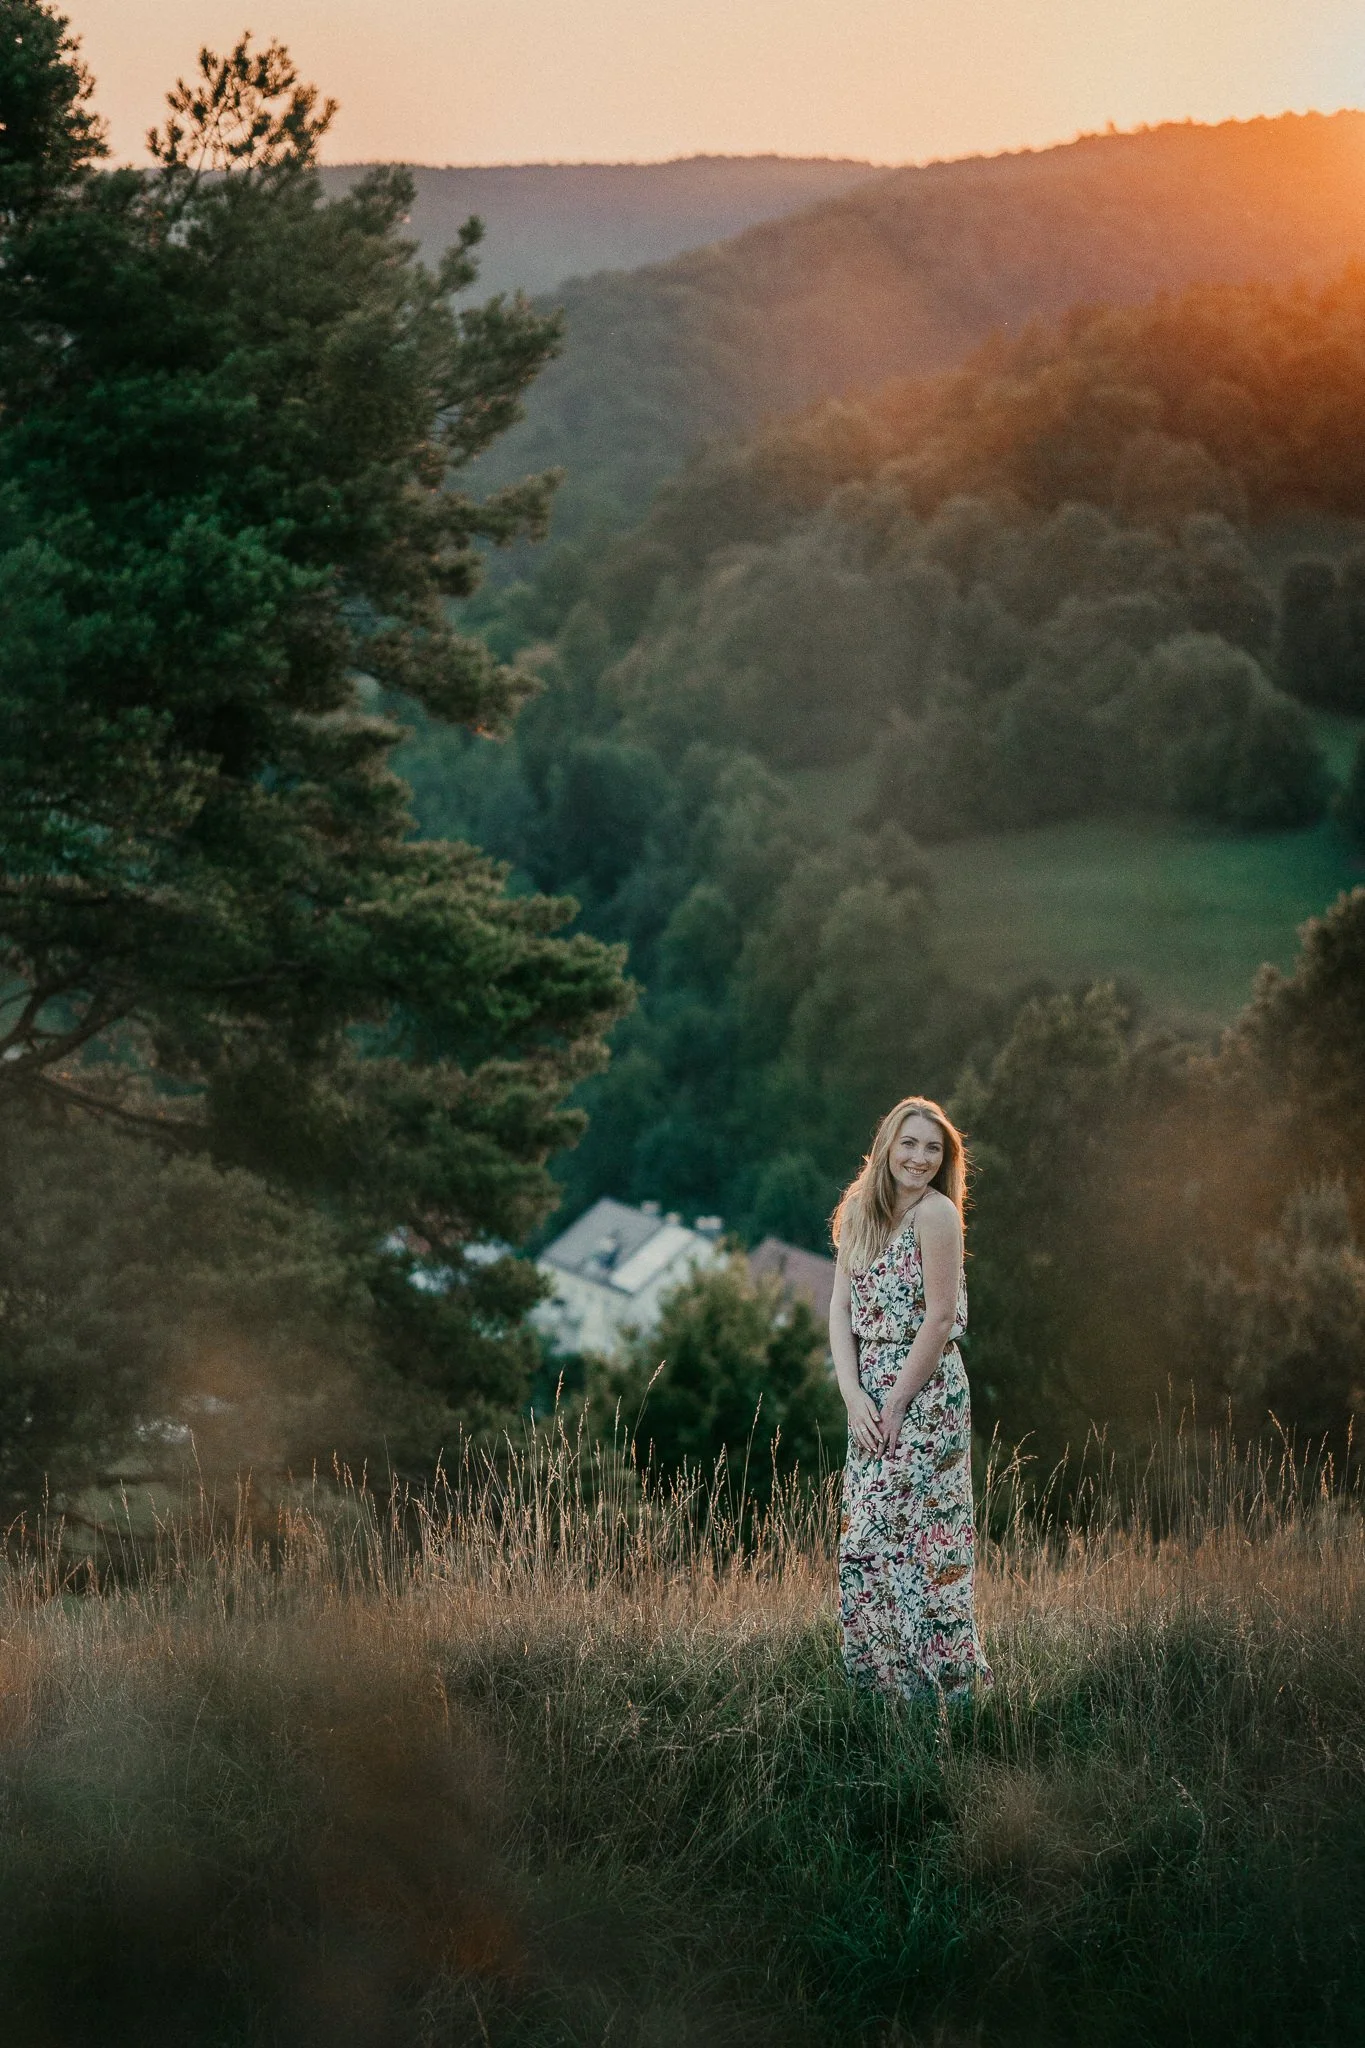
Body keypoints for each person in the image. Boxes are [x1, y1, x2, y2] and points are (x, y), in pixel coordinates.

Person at [829, 1095, 992, 1701]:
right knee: (865, 1542)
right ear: (886, 1147)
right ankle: (877, 1695)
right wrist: (853, 1395)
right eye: (909, 1144)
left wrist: (896, 1403)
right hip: (868, 1392)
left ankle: (940, 1700)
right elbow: (841, 1307)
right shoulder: (858, 1212)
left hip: (924, 1396)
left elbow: (941, 1316)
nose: (919, 1158)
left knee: (923, 1543)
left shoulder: (937, 1214)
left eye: (932, 1148)